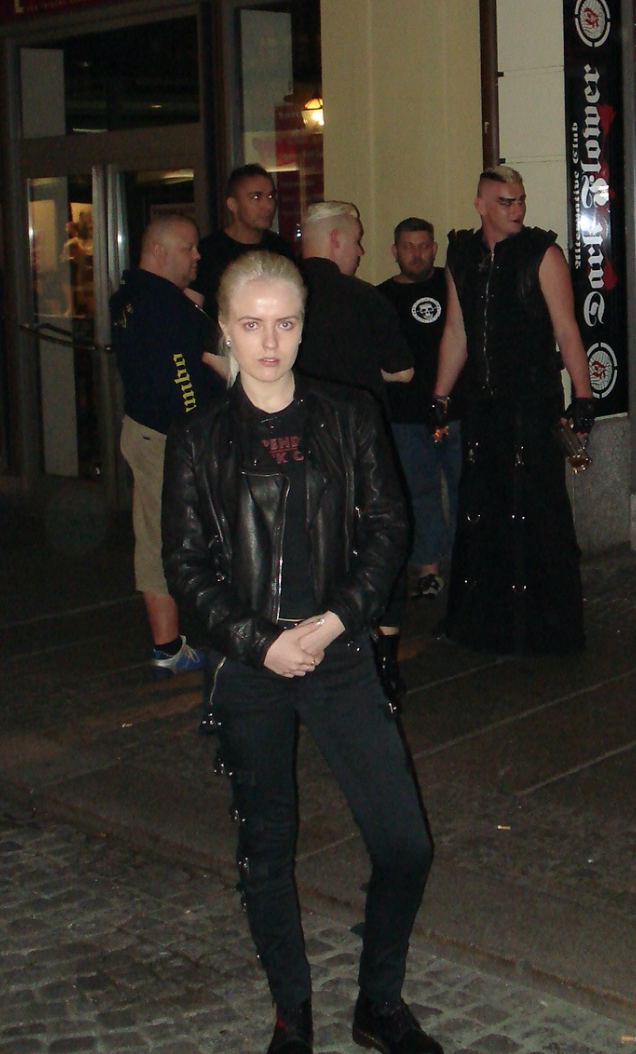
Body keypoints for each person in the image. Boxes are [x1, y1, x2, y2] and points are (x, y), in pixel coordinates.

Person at [162, 251, 442, 1054]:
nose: (269, 342)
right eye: (251, 324)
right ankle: (293, 1015)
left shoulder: (349, 413)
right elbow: (185, 568)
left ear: (303, 325)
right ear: (224, 329)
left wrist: (331, 622)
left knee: (405, 844)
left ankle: (377, 1002)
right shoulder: (198, 438)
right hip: (248, 666)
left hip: (339, 651)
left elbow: (387, 529)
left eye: (284, 323)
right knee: (266, 850)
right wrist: (262, 643)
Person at [433, 166, 594, 656]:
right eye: (506, 201)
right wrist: (440, 397)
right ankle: (484, 625)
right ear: (481, 204)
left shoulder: (542, 253)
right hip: (482, 404)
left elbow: (566, 329)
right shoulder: (461, 254)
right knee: (482, 508)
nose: (518, 209)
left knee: (535, 508)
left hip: (531, 402)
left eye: (520, 199)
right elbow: (457, 331)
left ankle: (544, 629)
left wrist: (583, 399)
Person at [297, 201, 414, 703]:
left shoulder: (274, 292)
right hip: (360, 447)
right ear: (336, 240)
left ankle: (308, 646)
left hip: (294, 444)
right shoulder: (365, 298)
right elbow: (403, 370)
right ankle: (383, 657)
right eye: (358, 239)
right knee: (381, 541)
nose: (362, 250)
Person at [110, 213, 225, 674]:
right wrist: (200, 432)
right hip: (167, 438)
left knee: (164, 532)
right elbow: (182, 380)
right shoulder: (163, 307)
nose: (197, 256)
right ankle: (168, 647)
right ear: (158, 251)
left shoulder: (133, 295)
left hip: (153, 431)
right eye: (187, 248)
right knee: (160, 536)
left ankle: (175, 640)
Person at [378, 218, 462, 600]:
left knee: (465, 488)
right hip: (406, 416)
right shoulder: (380, 298)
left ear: (435, 249)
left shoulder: (453, 285)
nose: (417, 254)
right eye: (409, 246)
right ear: (394, 251)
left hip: (456, 410)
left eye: (424, 246)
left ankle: (467, 565)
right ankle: (428, 569)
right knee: (419, 493)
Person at [195, 163, 296, 320]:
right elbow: (193, 310)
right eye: (256, 197)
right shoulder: (208, 252)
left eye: (270, 197)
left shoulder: (281, 250)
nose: (267, 206)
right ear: (233, 205)